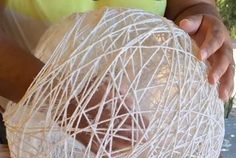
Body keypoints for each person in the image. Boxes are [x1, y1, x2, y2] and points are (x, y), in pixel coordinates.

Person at [0, 0, 235, 148]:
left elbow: (187, 6)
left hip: (142, 138)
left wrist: (203, 17)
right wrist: (58, 96)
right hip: (29, 137)